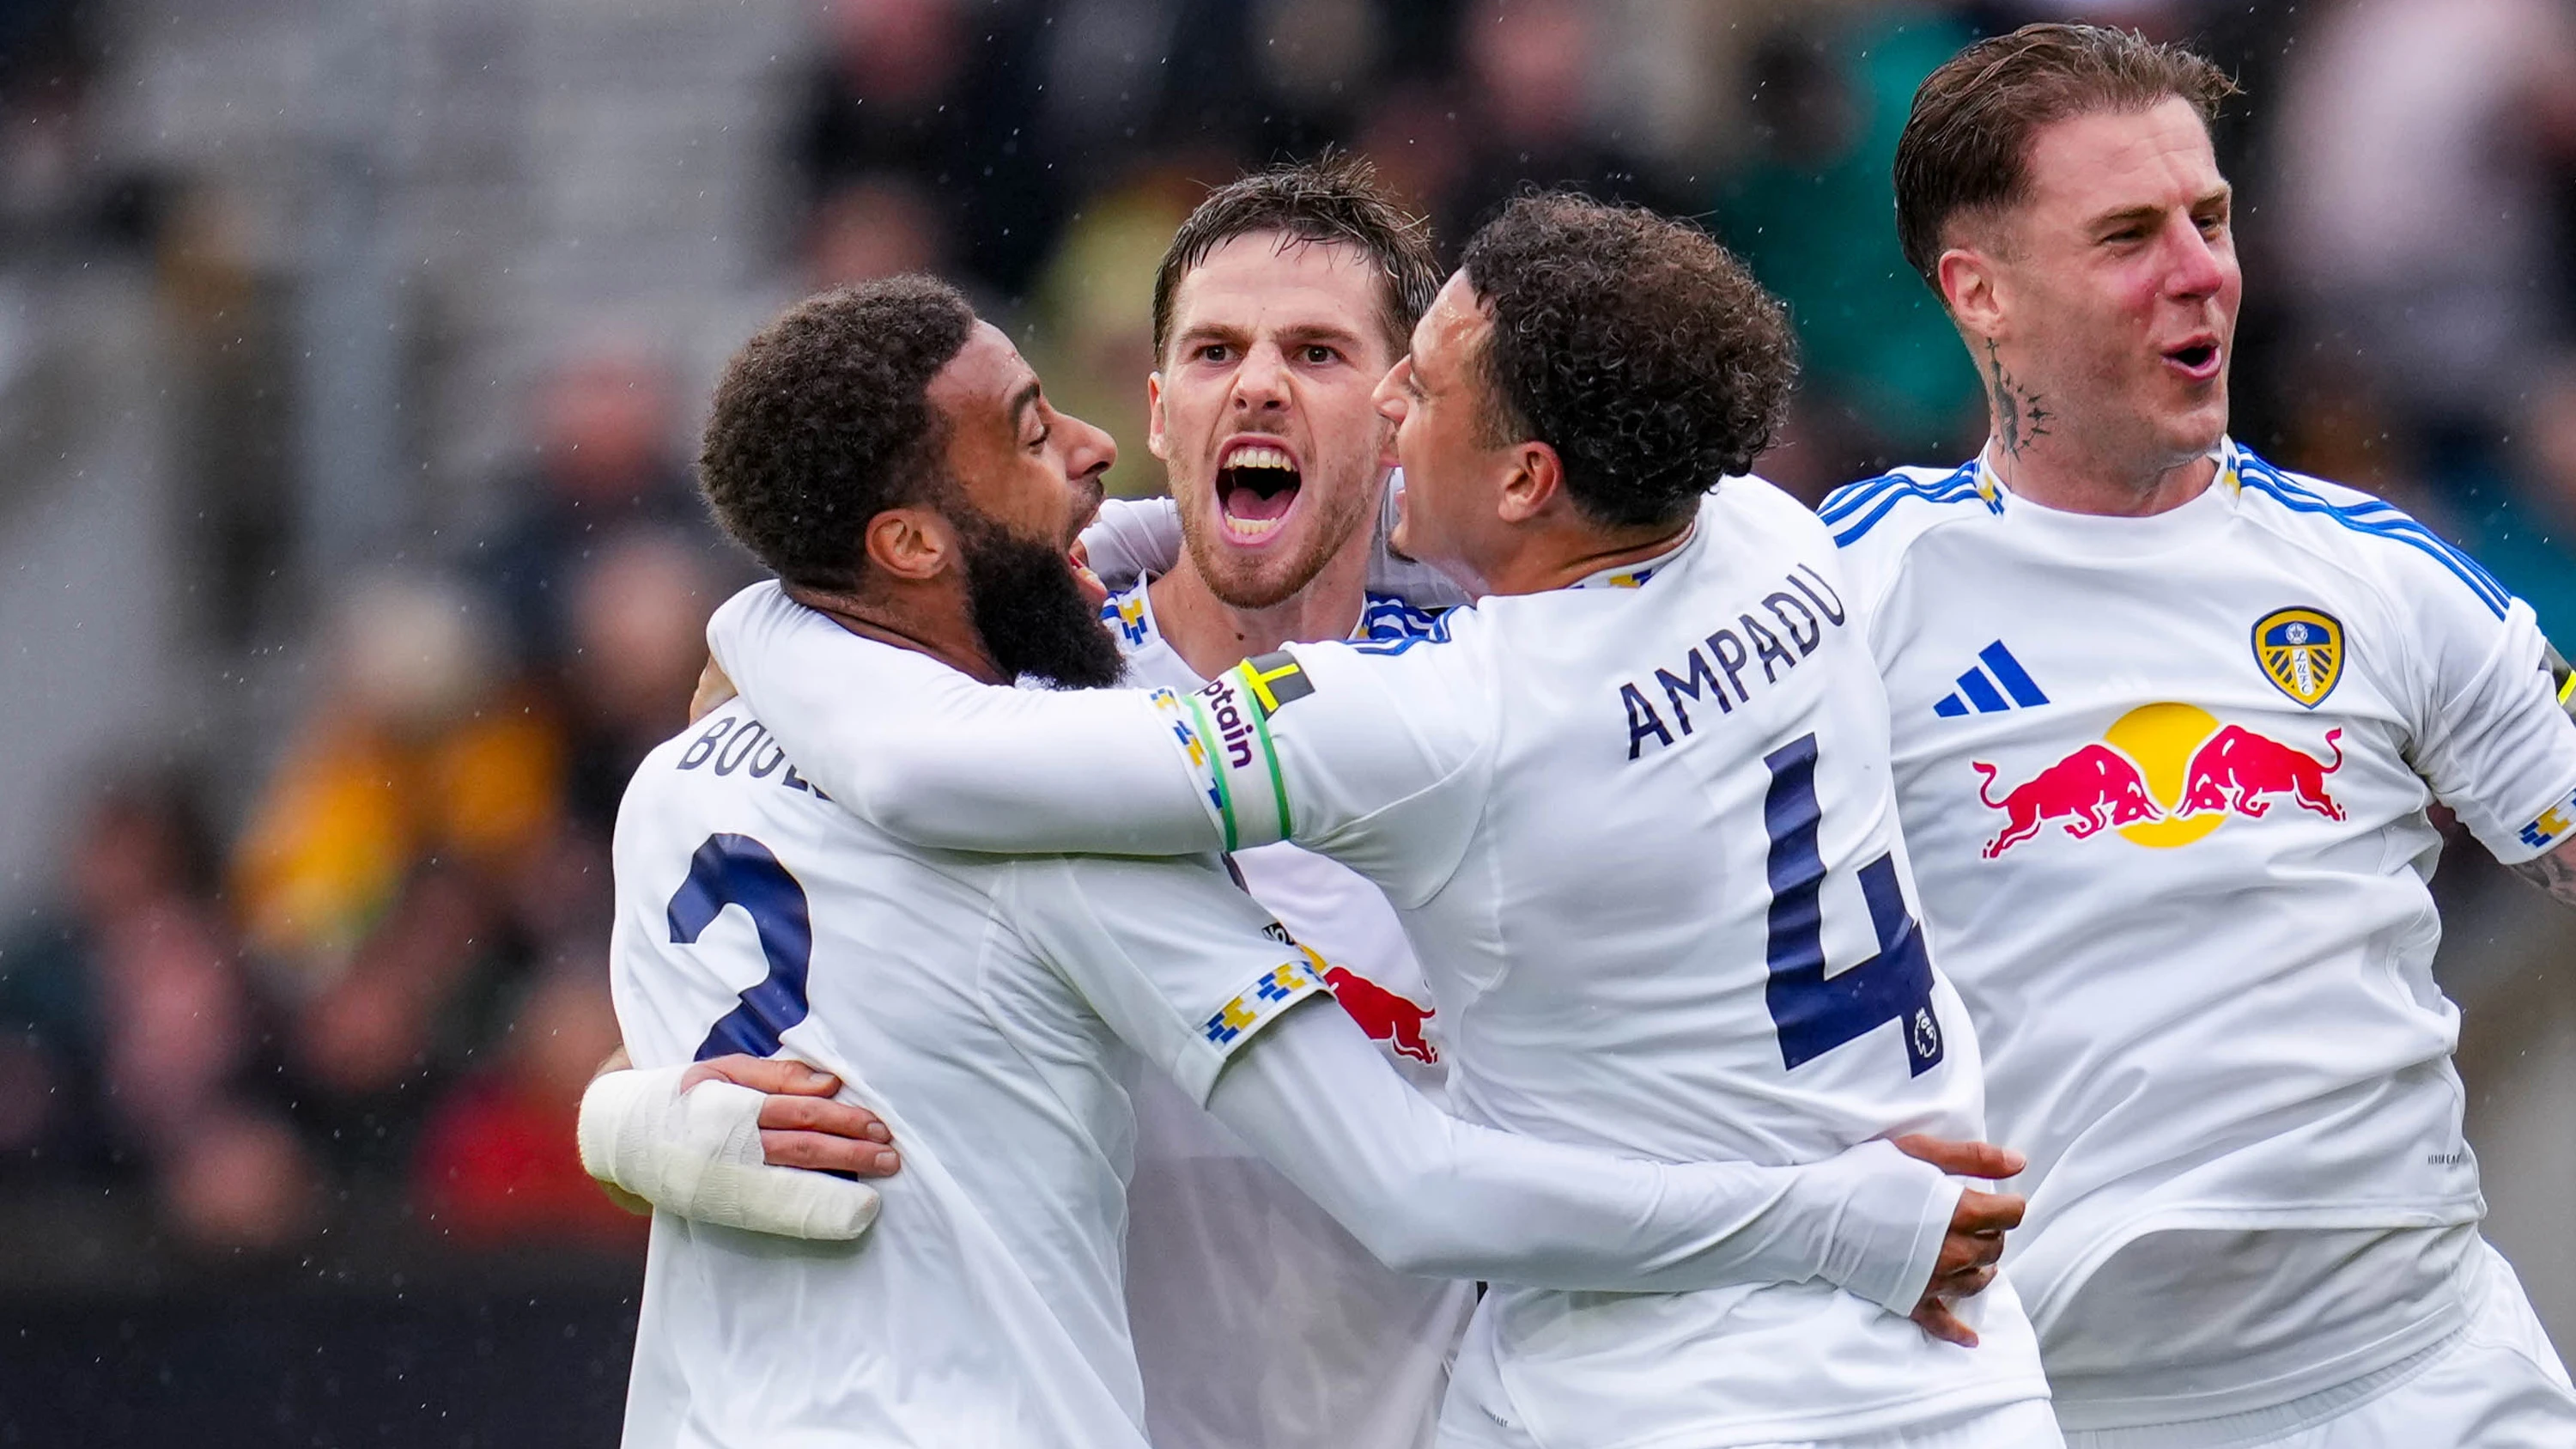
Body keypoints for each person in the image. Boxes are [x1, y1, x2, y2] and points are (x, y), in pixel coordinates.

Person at [695, 200, 2061, 1446]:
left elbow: (927, 767)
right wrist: (647, 1120)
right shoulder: (1762, 536)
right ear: (1160, 408)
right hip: (1929, 1370)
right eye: (1218, 352)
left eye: (1355, 363)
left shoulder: (1419, 721)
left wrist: (769, 607)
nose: (1275, 386)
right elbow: (736, 1023)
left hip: (1619, 1389)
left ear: (1515, 469)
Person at [1822, 22, 2576, 1445]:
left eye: (2210, 217)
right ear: (1979, 292)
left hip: (2422, 1379)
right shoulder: (1842, 595)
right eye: (2128, 234)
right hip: (2065, 1403)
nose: (2200, 271)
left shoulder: (2382, 573)